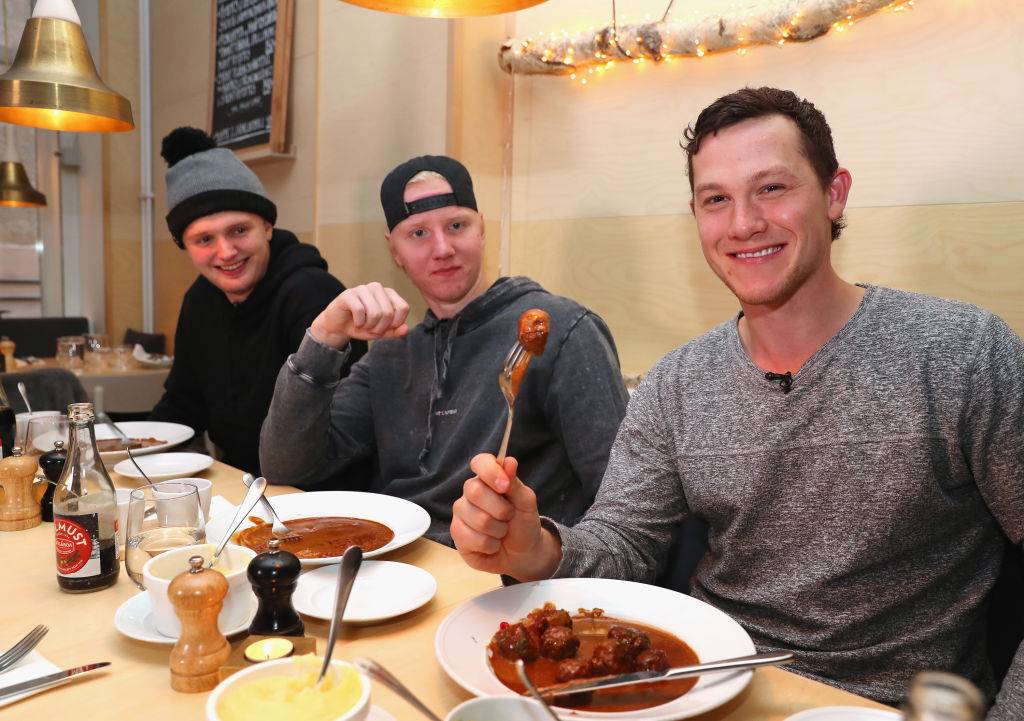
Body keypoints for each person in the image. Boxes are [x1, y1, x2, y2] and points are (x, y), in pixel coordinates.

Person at [451, 87, 1024, 716]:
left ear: (834, 194)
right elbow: (623, 546)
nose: (744, 223)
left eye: (772, 189)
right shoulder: (677, 384)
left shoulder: (963, 353)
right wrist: (537, 549)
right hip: (714, 691)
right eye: (716, 200)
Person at [259, 155, 628, 544]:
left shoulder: (562, 330)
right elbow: (286, 467)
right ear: (394, 251)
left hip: (508, 576)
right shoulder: (390, 354)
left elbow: (622, 500)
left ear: (481, 229)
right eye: (418, 233)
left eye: (456, 226)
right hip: (398, 565)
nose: (442, 248)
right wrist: (323, 337)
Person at [151, 127, 366, 475]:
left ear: (266, 226)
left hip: (315, 490)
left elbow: (346, 426)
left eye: (239, 230)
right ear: (185, 248)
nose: (226, 252)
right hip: (235, 482)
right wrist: (131, 457)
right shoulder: (200, 299)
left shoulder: (313, 293)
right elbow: (183, 402)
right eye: (204, 239)